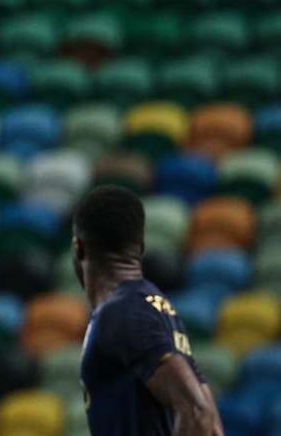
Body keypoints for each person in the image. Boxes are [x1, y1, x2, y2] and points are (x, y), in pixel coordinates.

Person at [73, 185, 224, 436]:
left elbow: (198, 411)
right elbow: (210, 421)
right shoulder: (154, 306)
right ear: (140, 247)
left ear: (78, 248)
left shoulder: (123, 312)